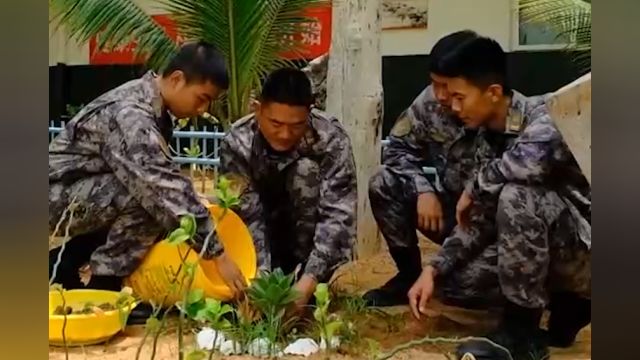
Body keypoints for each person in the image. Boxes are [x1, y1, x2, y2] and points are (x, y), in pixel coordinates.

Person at [406, 35, 591, 360]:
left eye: (461, 97)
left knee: (518, 192)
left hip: (589, 254)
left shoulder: (547, 115)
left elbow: (526, 164)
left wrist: (474, 188)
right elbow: (476, 221)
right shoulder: (482, 140)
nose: (454, 106)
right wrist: (433, 269)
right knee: (456, 285)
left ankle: (521, 334)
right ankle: (567, 306)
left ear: (493, 93)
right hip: (556, 255)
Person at [48, 41, 248, 318]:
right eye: (201, 98)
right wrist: (217, 253)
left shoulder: (153, 106)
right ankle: (104, 286)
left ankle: (61, 267)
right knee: (150, 197)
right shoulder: (132, 115)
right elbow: (160, 185)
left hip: (76, 194)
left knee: (156, 198)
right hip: (54, 199)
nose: (203, 109)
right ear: (177, 79)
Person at [218, 67, 357, 310]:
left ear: (310, 113)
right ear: (257, 109)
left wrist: (308, 283)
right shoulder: (238, 142)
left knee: (305, 172)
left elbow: (338, 216)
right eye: (275, 123)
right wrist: (259, 283)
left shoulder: (330, 138)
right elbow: (246, 213)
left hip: (307, 241)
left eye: (296, 125)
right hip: (262, 233)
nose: (285, 134)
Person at [363, 30, 483, 307]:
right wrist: (422, 190)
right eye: (435, 84)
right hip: (447, 212)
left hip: (487, 225)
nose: (441, 96)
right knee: (383, 181)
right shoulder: (429, 102)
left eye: (448, 86)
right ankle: (408, 275)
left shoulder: (498, 111)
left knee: (461, 292)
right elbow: (397, 147)